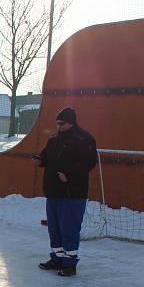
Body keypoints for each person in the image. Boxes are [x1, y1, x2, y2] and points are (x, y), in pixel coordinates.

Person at [33, 107, 98, 276]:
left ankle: (70, 264)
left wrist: (69, 175)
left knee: (69, 228)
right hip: (53, 192)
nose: (58, 126)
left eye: (61, 123)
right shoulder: (54, 139)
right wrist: (40, 160)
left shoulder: (84, 139)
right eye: (56, 123)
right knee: (54, 229)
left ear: (70, 123)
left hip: (72, 193)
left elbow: (89, 162)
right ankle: (57, 258)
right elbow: (46, 156)